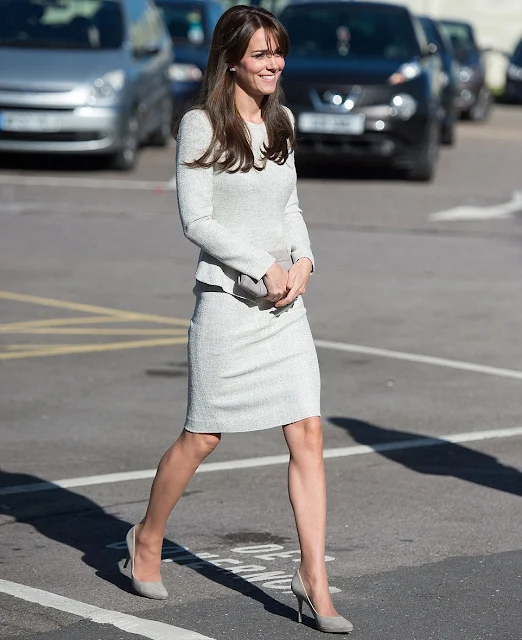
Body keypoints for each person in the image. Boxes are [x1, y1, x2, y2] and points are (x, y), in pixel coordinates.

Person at [123, 5, 353, 634]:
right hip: (228, 303)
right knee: (204, 435)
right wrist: (260, 265)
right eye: (260, 54)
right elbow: (196, 220)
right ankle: (146, 538)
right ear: (230, 59)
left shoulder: (282, 120)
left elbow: (290, 205)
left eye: (277, 52)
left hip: (285, 307)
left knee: (308, 431)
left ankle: (314, 579)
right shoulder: (200, 126)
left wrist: (304, 259)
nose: (273, 63)